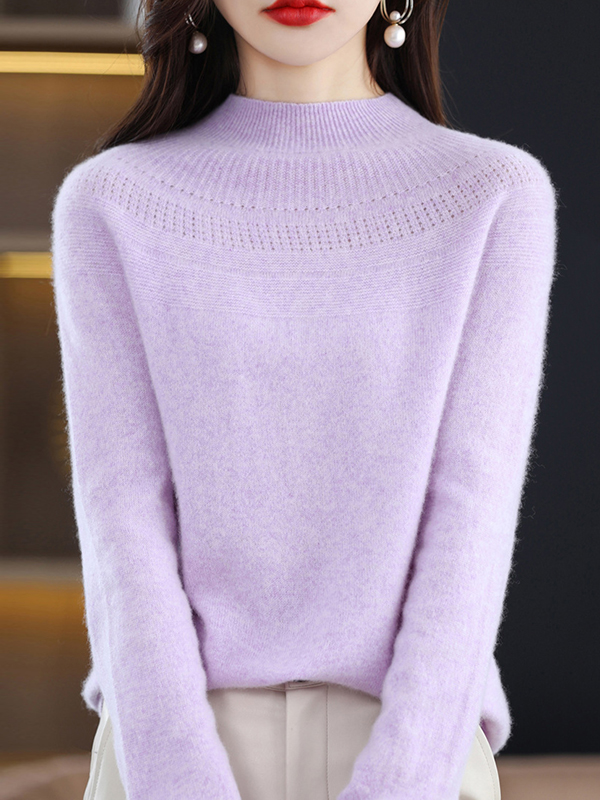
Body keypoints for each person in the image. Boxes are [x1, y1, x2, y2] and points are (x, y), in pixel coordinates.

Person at [51, 0, 558, 798]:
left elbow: (472, 518)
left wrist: (402, 783)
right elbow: (122, 523)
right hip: (169, 751)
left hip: (414, 750)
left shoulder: (493, 194)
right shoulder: (112, 202)